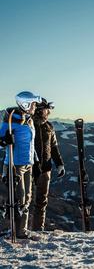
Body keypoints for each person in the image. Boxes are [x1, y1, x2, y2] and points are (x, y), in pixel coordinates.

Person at [0, 91, 42, 239]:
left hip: (28, 164)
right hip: (15, 164)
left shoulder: (29, 120)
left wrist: (35, 162)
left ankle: (21, 231)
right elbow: (0, 141)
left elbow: (30, 144)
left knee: (27, 198)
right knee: (19, 198)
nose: (35, 107)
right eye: (33, 104)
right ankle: (13, 229)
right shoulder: (10, 120)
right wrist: (5, 139)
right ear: (26, 104)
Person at [31, 98, 65, 231]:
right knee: (25, 201)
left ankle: (38, 229)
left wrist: (59, 164)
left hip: (46, 168)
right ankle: (20, 229)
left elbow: (54, 147)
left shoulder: (49, 126)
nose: (48, 112)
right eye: (46, 110)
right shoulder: (28, 125)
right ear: (39, 110)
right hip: (28, 168)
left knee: (41, 201)